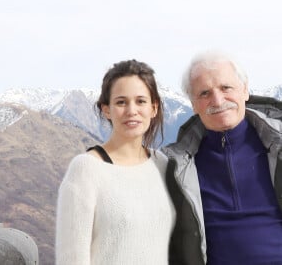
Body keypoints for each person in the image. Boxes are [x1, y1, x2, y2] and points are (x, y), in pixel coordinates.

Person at [162, 51, 282, 265]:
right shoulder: (175, 166)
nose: (217, 100)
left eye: (226, 88)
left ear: (245, 90)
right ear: (193, 104)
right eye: (204, 93)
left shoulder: (277, 146)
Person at [55, 60, 175, 265]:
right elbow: (71, 259)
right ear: (106, 110)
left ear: (154, 108)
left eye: (141, 101)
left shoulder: (162, 164)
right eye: (121, 102)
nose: (131, 110)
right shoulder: (86, 169)